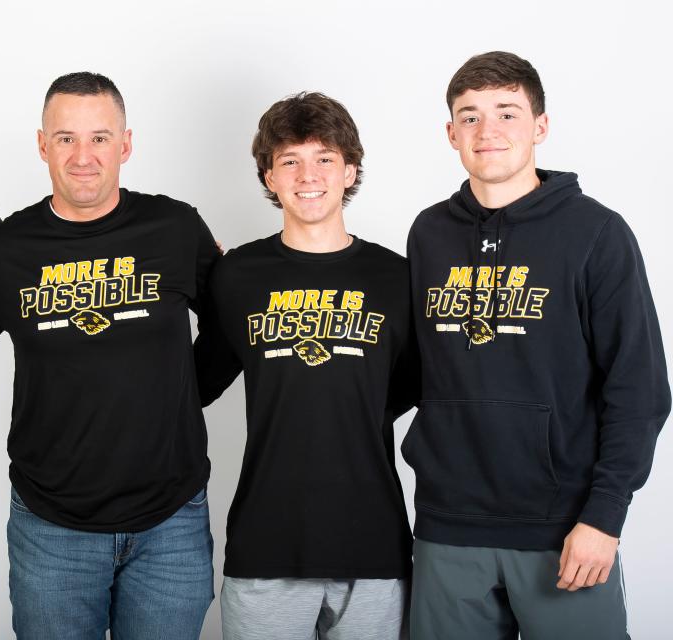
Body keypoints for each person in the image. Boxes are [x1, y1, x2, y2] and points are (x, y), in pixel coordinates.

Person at [403, 51, 670, 639]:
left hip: (564, 530)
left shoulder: (597, 233)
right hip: (448, 525)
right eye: (469, 117)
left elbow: (640, 390)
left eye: (506, 113)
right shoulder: (429, 233)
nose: (487, 131)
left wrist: (604, 516)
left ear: (540, 127)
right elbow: (415, 366)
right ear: (451, 133)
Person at [0, 72, 219, 640]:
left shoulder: (175, 227)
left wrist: (181, 393)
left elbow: (231, 328)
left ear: (126, 145)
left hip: (171, 522)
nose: (83, 156)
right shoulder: (5, 250)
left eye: (100, 138)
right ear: (42, 145)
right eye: (66, 139)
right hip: (51, 524)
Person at [194, 92, 415, 639]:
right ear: (269, 177)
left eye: (324, 158)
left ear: (350, 170)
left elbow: (412, 390)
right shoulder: (237, 275)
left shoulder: (397, 278)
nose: (307, 175)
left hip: (373, 546)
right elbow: (193, 384)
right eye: (289, 161)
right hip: (267, 543)